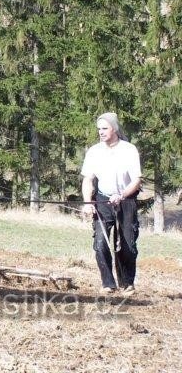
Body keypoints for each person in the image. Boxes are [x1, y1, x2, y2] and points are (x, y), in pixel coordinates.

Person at [81, 112, 142, 296]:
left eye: (104, 128)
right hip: (102, 199)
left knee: (127, 245)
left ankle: (127, 283)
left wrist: (122, 195)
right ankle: (108, 283)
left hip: (126, 200)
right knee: (100, 243)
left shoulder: (129, 150)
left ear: (114, 129)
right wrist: (88, 203)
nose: (101, 132)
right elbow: (87, 180)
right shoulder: (94, 151)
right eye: (99, 129)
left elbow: (136, 181)